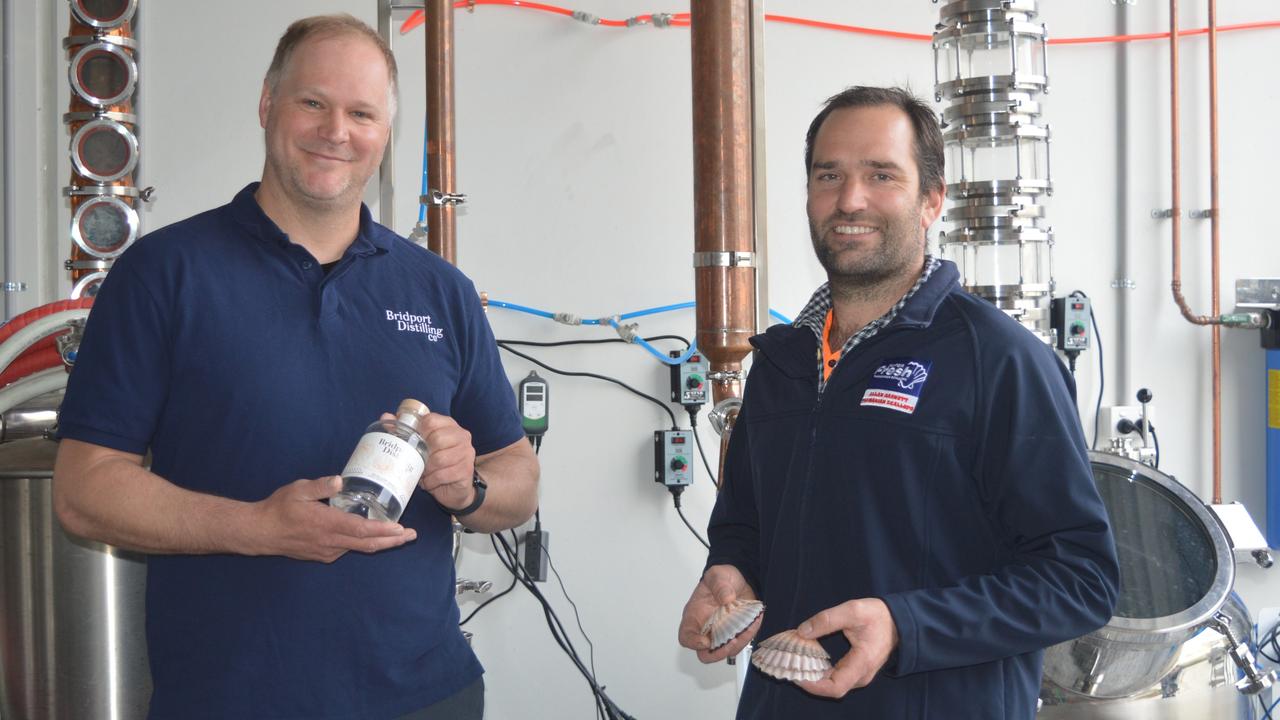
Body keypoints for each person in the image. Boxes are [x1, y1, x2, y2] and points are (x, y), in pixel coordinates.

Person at [52, 14, 538, 720]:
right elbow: (83, 490)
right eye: (313, 102)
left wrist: (468, 487)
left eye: (362, 113)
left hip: (426, 696)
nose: (335, 130)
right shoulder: (164, 274)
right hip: (231, 697)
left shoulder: (440, 292)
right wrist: (257, 526)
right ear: (266, 104)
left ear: (385, 133)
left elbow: (519, 483)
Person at [677, 86, 1119, 718]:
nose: (849, 199)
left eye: (880, 175)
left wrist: (904, 625)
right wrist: (728, 572)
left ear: (931, 200)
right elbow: (745, 527)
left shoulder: (1001, 360)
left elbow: (1080, 579)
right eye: (829, 175)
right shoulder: (781, 363)